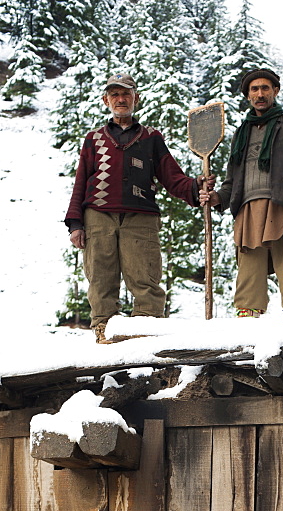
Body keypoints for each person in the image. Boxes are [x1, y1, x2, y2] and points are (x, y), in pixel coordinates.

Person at [65, 73, 211, 342]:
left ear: (137, 98)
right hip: (98, 215)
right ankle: (104, 334)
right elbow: (81, 181)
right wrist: (76, 223)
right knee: (101, 279)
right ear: (105, 100)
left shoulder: (151, 138)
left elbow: (172, 177)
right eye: (115, 95)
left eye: (126, 94)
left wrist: (195, 185)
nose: (121, 99)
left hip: (141, 216)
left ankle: (146, 335)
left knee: (145, 278)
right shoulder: (94, 139)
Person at [200, 68, 283, 319]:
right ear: (247, 95)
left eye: (265, 88)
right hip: (247, 210)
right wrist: (216, 198)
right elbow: (232, 181)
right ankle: (248, 329)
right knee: (248, 279)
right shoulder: (241, 134)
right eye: (254, 89)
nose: (260, 94)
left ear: (275, 91)